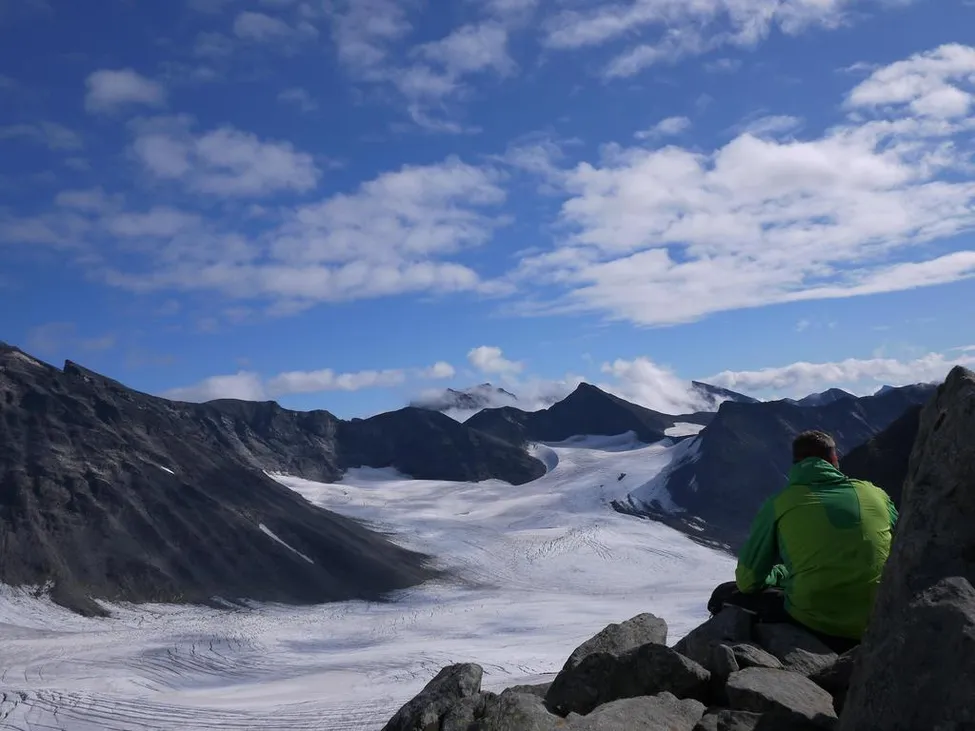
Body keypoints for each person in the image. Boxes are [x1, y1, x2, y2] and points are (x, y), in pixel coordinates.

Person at [708, 430, 898, 654]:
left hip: (816, 622)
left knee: (724, 593)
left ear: (796, 463)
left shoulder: (780, 503)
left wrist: (780, 574)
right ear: (834, 459)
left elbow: (748, 581)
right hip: (878, 616)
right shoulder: (875, 494)